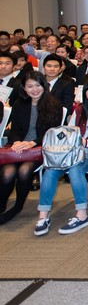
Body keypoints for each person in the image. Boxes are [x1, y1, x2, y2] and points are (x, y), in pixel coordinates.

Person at [35, 78, 88, 236]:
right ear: (85, 92)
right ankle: (43, 215)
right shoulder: (80, 109)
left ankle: (82, 215)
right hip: (74, 149)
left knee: (76, 169)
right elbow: (70, 130)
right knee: (51, 169)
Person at [0, 72, 63, 224]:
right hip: (19, 146)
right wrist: (16, 142)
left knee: (24, 170)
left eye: (37, 85)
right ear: (24, 88)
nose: (34, 89)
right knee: (8, 172)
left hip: (40, 146)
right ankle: (1, 205)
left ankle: (18, 206)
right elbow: (14, 130)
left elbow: (52, 133)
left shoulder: (54, 104)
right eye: (30, 86)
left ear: (44, 86)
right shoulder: (19, 104)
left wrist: (32, 143)